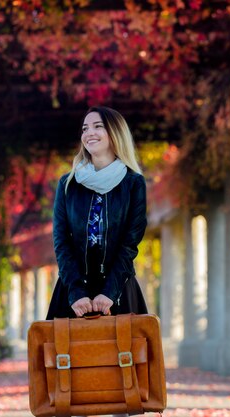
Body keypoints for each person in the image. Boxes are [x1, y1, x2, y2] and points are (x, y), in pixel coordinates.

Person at [46, 106, 148, 319]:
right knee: (66, 352)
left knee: (124, 352)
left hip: (119, 293)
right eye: (85, 128)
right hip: (73, 296)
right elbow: (61, 242)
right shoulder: (68, 184)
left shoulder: (133, 184)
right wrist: (76, 293)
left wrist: (109, 293)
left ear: (115, 133)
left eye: (97, 126)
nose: (88, 133)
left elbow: (130, 244)